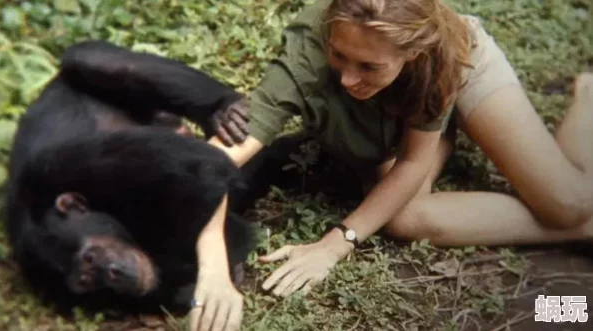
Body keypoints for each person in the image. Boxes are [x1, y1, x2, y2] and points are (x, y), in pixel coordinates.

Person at [203, 0, 593, 311]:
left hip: (461, 74)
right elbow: (222, 155)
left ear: (413, 52)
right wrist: (211, 262)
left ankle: (589, 98)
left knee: (570, 205)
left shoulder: (439, 54)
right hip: (390, 119)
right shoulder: (309, 49)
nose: (347, 80)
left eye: (367, 66)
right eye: (339, 56)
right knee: (404, 217)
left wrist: (333, 245)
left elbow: (413, 160)